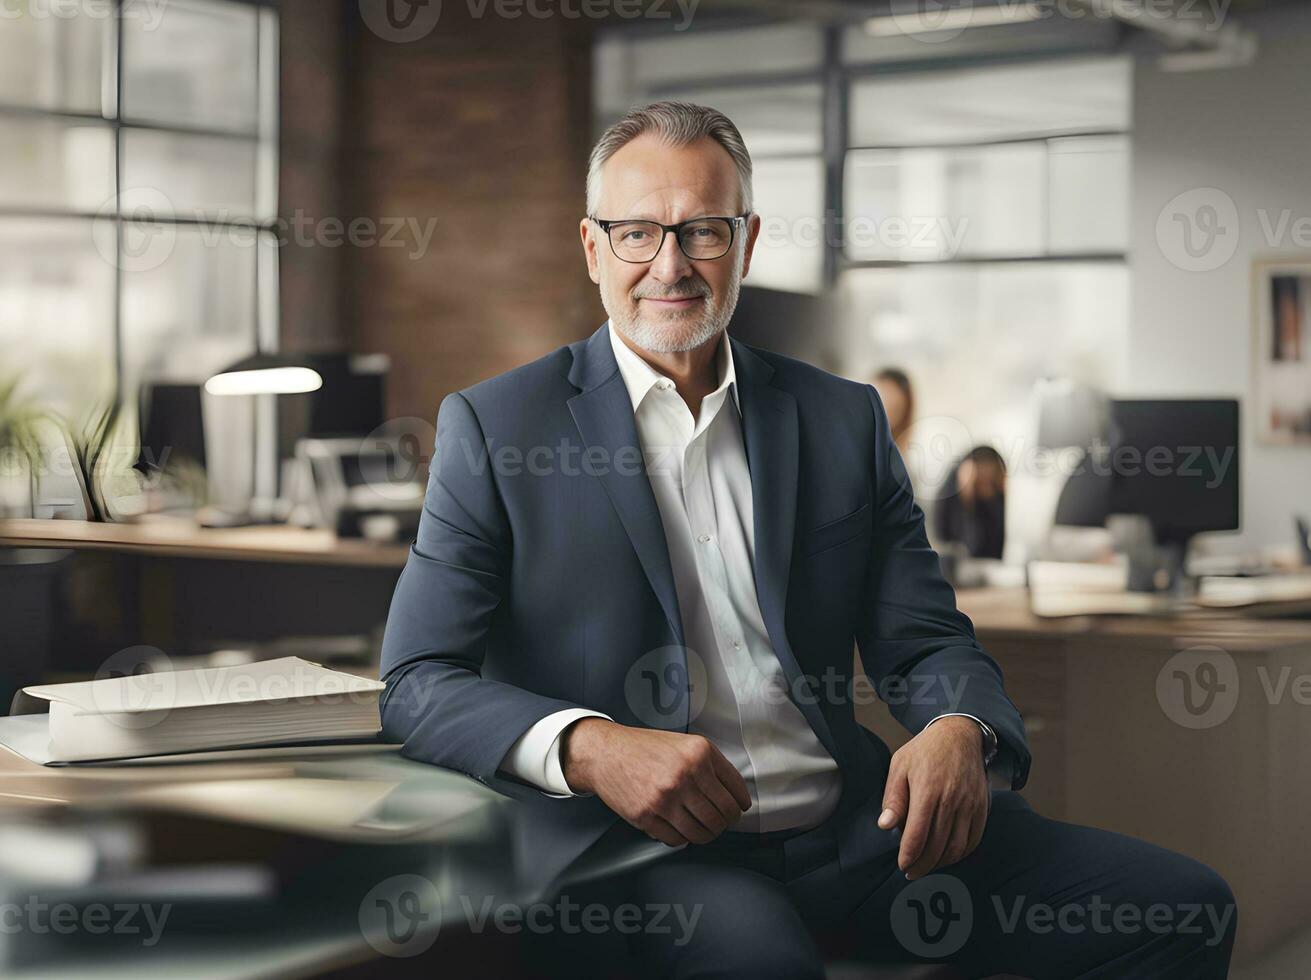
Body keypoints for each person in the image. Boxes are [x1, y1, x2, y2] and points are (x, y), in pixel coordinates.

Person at [379, 101, 1235, 979]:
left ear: (746, 243)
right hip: (651, 857)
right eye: (636, 233)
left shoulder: (841, 418)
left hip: (866, 834)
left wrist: (958, 726)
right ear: (594, 247)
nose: (668, 265)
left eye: (701, 231)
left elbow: (926, 637)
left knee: (1183, 909)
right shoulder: (496, 426)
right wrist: (592, 746)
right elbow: (414, 682)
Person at [934, 446, 1007, 561]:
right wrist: (967, 501)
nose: (987, 487)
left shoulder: (995, 502)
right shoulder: (951, 493)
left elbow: (995, 550)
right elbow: (951, 543)